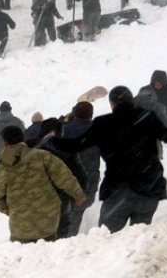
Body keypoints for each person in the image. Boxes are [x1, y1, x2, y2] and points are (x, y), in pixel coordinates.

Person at [52, 86, 167, 233]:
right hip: (149, 188)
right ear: (132, 101)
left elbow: (74, 146)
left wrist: (50, 138)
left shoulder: (103, 124)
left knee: (106, 241)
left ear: (112, 104)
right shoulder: (147, 118)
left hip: (118, 191)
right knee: (140, 238)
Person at [0, 125, 86, 243]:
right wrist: (78, 195)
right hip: (49, 220)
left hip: (21, 227)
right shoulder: (42, 156)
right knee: (47, 250)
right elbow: (64, 176)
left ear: (5, 144)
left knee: (22, 254)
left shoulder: (1, 167)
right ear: (23, 139)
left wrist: (12, 210)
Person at [62, 101, 99, 236]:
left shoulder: (64, 130)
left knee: (67, 210)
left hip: (68, 177)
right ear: (91, 114)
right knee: (78, 210)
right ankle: (70, 237)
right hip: (90, 178)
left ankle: (66, 239)